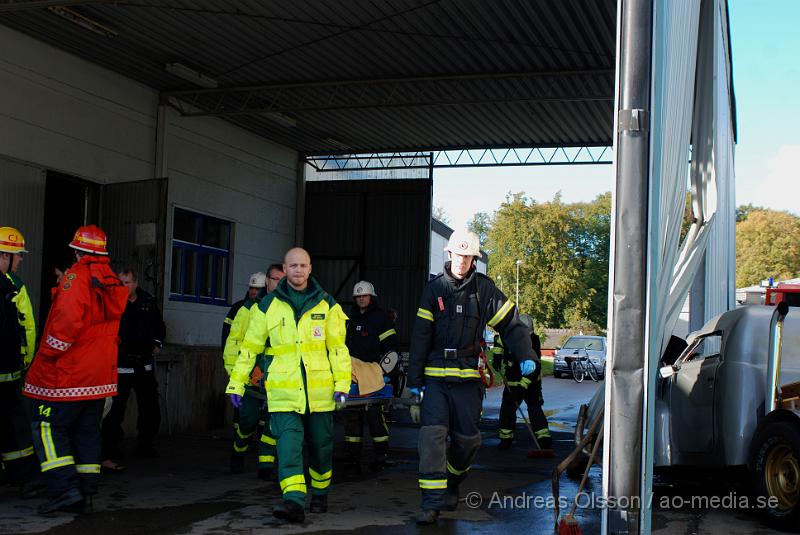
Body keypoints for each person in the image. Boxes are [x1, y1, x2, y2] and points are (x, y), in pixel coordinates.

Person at [408, 229, 538, 524]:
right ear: (449, 254)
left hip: (468, 379)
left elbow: (512, 325)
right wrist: (414, 384)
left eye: (468, 257)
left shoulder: (484, 291)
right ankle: (430, 503)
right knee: (433, 438)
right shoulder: (433, 290)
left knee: (467, 442)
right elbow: (420, 337)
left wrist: (527, 355)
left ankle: (452, 483)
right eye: (458, 255)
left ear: (473, 260)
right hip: (436, 380)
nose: (461, 261)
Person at [225, 248, 350, 523]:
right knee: (288, 445)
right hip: (283, 392)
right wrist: (236, 384)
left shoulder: (327, 304)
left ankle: (319, 493)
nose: (298, 270)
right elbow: (249, 348)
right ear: (285, 268)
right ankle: (293, 500)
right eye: (293, 265)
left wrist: (342, 382)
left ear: (310, 268)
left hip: (319, 394)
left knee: (321, 447)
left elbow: (338, 349)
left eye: (303, 265)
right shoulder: (267, 306)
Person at [23, 225, 128, 514]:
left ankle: (63, 490)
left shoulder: (77, 277)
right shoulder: (112, 282)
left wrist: (46, 355)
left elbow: (66, 325)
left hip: (69, 374)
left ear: (77, 251)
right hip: (99, 378)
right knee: (86, 430)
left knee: (47, 427)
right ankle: (85, 488)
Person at [100, 267, 166, 469]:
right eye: (120, 283)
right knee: (114, 412)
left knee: (150, 409)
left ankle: (145, 444)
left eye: (127, 283)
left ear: (135, 283)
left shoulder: (147, 301)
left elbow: (159, 326)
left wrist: (156, 343)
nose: (123, 287)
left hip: (143, 366)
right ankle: (110, 450)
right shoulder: (112, 302)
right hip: (120, 367)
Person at [224, 265, 284, 478]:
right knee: (248, 419)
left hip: (277, 375)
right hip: (251, 373)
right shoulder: (248, 309)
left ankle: (266, 464)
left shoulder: (288, 309)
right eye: (275, 279)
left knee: (273, 420)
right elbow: (234, 342)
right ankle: (238, 451)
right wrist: (235, 375)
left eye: (282, 279)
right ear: (267, 281)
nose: (278, 283)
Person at [0, 226, 41, 497]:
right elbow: (26, 328)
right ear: (5, 255)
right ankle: (23, 477)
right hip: (7, 371)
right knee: (12, 425)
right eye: (18, 255)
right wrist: (25, 361)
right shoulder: (12, 287)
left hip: (7, 370)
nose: (22, 260)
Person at [343, 280, 398, 473]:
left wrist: (385, 371)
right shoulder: (352, 318)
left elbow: (390, 348)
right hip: (352, 374)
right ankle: (352, 455)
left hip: (373, 374)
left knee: (375, 417)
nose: (361, 299)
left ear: (371, 297)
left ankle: (380, 455)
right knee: (351, 417)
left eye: (364, 296)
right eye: (358, 296)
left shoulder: (381, 318)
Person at [494, 314, 551, 451]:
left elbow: (534, 369)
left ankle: (543, 439)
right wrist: (497, 356)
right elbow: (500, 340)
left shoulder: (533, 341)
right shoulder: (510, 336)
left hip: (531, 384)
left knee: (534, 409)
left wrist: (522, 387)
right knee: (507, 410)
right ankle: (506, 439)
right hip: (512, 382)